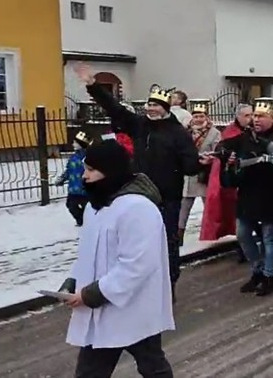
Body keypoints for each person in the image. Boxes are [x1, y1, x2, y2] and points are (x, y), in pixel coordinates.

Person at [74, 63, 200, 300]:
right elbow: (115, 109)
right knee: (137, 243)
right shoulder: (139, 126)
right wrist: (93, 85)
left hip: (167, 198)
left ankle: (167, 286)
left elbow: (190, 166)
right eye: (149, 105)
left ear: (165, 109)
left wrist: (198, 162)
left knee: (167, 243)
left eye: (156, 106)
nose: (151, 109)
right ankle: (138, 285)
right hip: (138, 195)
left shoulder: (178, 133)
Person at [58, 140, 174, 377]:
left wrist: (92, 294)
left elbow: (138, 264)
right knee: (90, 370)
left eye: (91, 170)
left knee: (152, 367)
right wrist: (73, 280)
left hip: (134, 305)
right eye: (85, 169)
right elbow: (89, 252)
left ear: (110, 172)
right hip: (100, 308)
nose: (85, 176)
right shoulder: (96, 207)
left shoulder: (138, 207)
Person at [221, 100, 273, 296]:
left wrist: (261, 159)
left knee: (269, 236)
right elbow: (232, 154)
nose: (256, 119)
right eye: (254, 116)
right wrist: (231, 162)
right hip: (248, 192)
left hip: (270, 192)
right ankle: (257, 271)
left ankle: (269, 276)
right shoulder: (246, 137)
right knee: (243, 234)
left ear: (272, 118)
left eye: (261, 116)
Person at [201, 104, 251, 263]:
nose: (250, 119)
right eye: (246, 116)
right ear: (238, 116)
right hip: (233, 181)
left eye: (251, 115)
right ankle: (243, 249)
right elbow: (222, 154)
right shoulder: (230, 133)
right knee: (239, 218)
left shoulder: (251, 131)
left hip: (249, 181)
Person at [178, 102, 221, 242]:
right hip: (188, 175)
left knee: (209, 207)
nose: (198, 119)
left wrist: (209, 158)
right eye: (196, 116)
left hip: (205, 175)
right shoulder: (185, 131)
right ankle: (179, 237)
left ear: (206, 117)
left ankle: (213, 234)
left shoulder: (214, 133)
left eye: (201, 116)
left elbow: (218, 151)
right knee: (184, 207)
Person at [55, 131, 92, 227]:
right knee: (71, 206)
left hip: (85, 189)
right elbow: (69, 170)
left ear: (81, 144)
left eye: (75, 142)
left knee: (87, 207)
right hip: (73, 188)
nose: (73, 144)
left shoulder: (88, 157)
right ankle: (81, 220)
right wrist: (62, 178)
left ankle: (88, 222)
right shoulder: (73, 157)